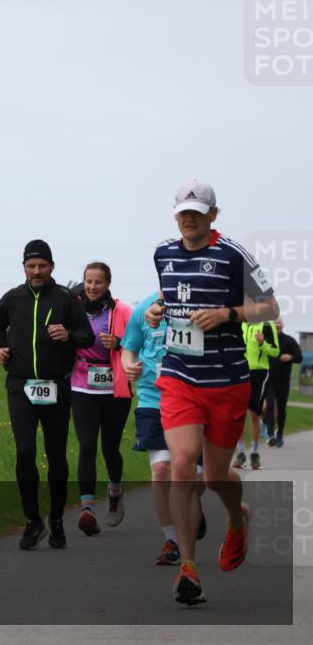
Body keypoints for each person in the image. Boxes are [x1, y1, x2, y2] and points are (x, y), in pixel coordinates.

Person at [146, 180, 279, 605]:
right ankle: (189, 567)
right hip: (179, 377)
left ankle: (237, 518)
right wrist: (156, 309)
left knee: (216, 475)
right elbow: (171, 295)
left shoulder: (232, 254)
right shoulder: (163, 253)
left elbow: (270, 308)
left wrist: (229, 313)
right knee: (181, 465)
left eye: (198, 212)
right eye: (183, 212)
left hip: (226, 380)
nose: (189, 219)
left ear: (213, 216)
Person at [0, 239, 93, 550]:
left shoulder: (65, 299)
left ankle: (57, 517)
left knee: (56, 454)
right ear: (23, 267)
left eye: (42, 266)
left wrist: (69, 336)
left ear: (52, 267)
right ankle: (33, 519)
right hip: (20, 386)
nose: (37, 271)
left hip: (56, 386)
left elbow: (86, 335)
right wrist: (0, 348)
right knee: (24, 452)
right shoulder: (13, 298)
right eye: (31, 266)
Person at [122, 294, 207, 565]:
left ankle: (191, 503)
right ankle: (172, 538)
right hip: (152, 398)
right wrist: (129, 368)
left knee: (195, 479)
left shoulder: (201, 303)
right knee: (161, 469)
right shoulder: (143, 308)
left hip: (194, 399)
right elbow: (129, 347)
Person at [70, 263, 133, 535]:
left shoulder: (122, 311)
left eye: (98, 282)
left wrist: (118, 343)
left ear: (108, 284)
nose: (92, 286)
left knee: (110, 447)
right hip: (81, 384)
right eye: (88, 281)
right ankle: (86, 508)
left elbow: (139, 342)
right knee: (86, 445)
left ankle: (115, 490)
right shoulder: (73, 308)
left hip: (114, 387)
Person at [232, 319, 279, 469]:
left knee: (254, 414)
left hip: (259, 373)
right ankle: (240, 453)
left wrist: (262, 343)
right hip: (240, 371)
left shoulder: (267, 325)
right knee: (239, 415)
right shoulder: (239, 322)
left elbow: (275, 351)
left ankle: (254, 453)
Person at [264, 318, 303, 447]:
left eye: (279, 324)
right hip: (269, 380)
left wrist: (290, 357)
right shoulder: (266, 340)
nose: (277, 326)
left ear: (283, 326)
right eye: (275, 324)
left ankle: (279, 433)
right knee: (269, 406)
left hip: (283, 381)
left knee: (281, 409)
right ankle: (270, 434)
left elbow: (299, 357)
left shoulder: (289, 341)